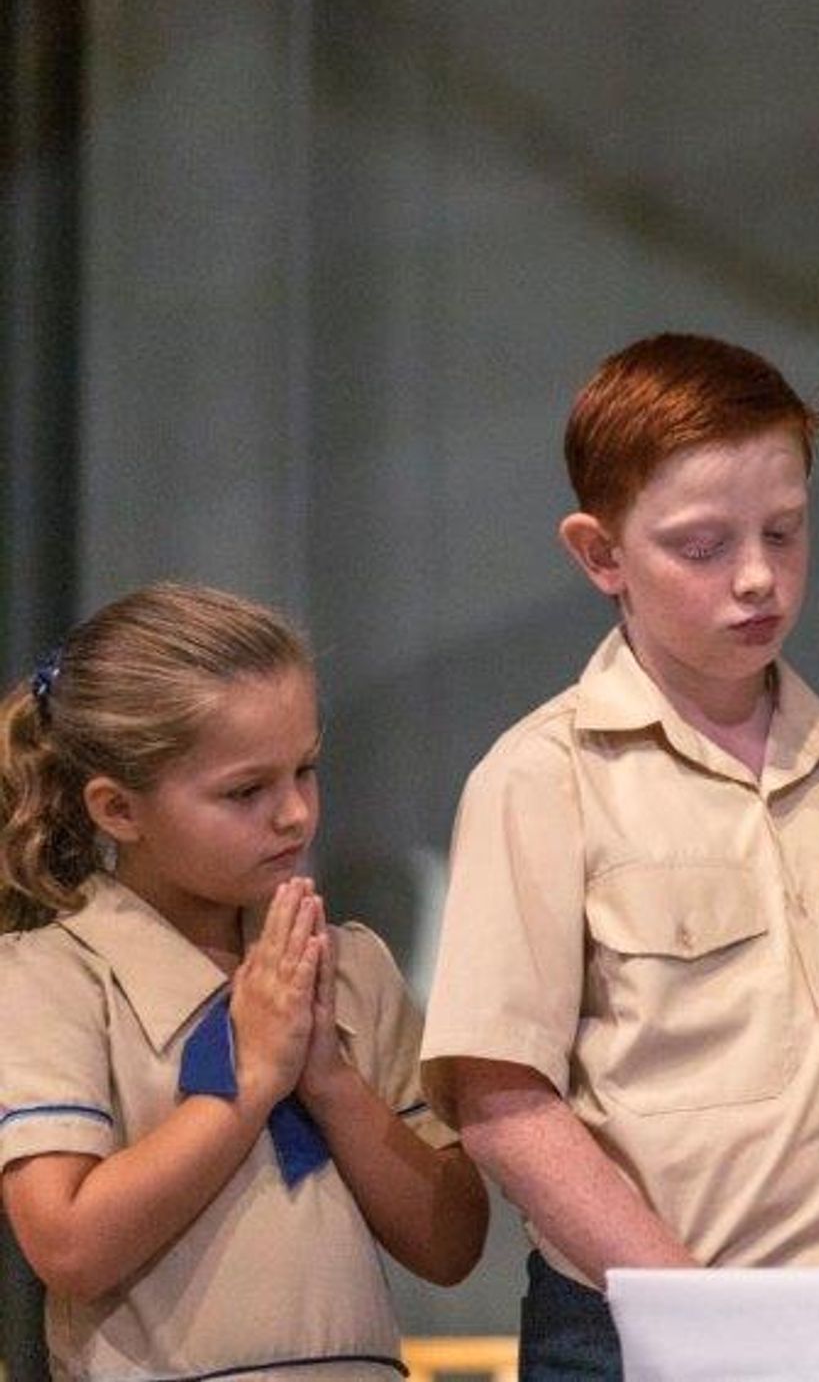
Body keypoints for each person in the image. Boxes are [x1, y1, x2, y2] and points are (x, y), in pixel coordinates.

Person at [420, 334, 819, 1378]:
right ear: (600, 555)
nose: (758, 577)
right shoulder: (544, 777)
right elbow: (502, 1100)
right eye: (703, 546)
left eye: (784, 531)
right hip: (635, 1331)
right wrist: (699, 1317)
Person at [0, 582, 487, 1379]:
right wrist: (251, 1078)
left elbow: (451, 1243)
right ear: (118, 809)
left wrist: (331, 1080)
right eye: (245, 790)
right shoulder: (53, 976)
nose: (293, 812)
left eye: (305, 770)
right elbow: (70, 1245)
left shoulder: (348, 966)